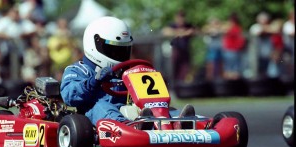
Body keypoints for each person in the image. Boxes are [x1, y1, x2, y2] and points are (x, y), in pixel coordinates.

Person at [60, 16, 195, 128]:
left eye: (122, 50)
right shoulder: (77, 69)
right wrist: (93, 81)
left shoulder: (127, 70)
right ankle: (131, 127)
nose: (119, 55)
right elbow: (69, 96)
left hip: (130, 110)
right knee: (100, 106)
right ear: (94, 44)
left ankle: (174, 123)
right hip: (92, 115)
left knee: (153, 106)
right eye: (113, 50)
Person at [162, 10, 195, 86]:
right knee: (173, 70)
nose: (181, 19)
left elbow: (193, 31)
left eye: (182, 17)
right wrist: (179, 32)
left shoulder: (188, 25)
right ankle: (173, 87)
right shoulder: (172, 25)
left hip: (185, 51)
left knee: (185, 70)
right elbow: (165, 31)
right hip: (175, 51)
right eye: (179, 17)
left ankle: (182, 87)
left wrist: (184, 33)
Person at [221, 13, 246, 80]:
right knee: (231, 69)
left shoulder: (234, 28)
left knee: (232, 70)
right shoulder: (237, 28)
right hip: (231, 51)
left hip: (233, 51)